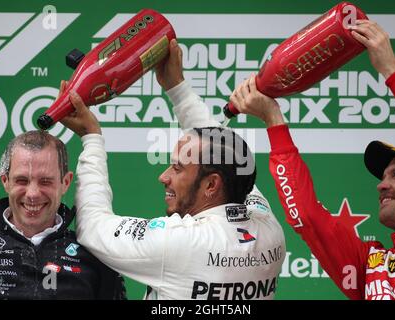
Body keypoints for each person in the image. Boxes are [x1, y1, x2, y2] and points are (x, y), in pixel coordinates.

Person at [60, 39, 286, 300]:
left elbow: (93, 226)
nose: (163, 176)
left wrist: (91, 137)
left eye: (177, 168)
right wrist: (176, 87)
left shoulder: (178, 243)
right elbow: (226, 154)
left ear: (211, 185)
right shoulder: (267, 227)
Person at [229, 19, 395, 300]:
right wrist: (273, 120)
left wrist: (391, 71)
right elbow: (307, 218)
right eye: (384, 177)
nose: (381, 185)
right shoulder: (372, 265)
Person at [0, 130, 125, 299]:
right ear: (6, 182)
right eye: (22, 181)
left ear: (66, 183)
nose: (32, 194)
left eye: (45, 181)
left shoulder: (94, 251)